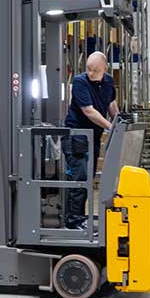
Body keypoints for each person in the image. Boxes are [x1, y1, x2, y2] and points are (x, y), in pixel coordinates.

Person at [62, 51, 118, 229]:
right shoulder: (80, 82)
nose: (91, 73)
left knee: (88, 178)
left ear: (104, 68)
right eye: (88, 69)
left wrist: (119, 120)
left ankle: (79, 217)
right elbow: (89, 111)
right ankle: (73, 221)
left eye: (95, 70)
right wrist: (110, 127)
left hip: (93, 136)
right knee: (80, 179)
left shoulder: (108, 81)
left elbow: (111, 103)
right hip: (77, 136)